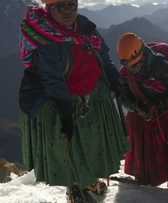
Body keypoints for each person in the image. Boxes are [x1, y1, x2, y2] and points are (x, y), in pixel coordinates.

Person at [19, 0, 128, 201]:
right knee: (72, 144)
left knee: (90, 142)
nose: (69, 11)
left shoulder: (85, 27)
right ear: (49, 9)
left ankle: (88, 181)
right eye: (62, 6)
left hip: (89, 94)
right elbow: (52, 78)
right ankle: (76, 186)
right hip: (57, 99)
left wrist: (114, 79)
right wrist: (65, 111)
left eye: (72, 5)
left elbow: (103, 56)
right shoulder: (45, 38)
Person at [116, 32, 168, 191]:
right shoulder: (126, 74)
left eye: (136, 64)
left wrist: (158, 107)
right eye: (130, 66)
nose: (134, 69)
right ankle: (145, 173)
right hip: (145, 110)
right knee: (138, 127)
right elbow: (124, 96)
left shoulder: (160, 65)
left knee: (167, 143)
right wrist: (138, 108)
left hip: (167, 110)